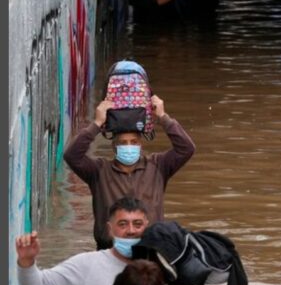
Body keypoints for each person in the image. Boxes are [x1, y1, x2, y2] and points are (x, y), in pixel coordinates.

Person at [64, 93, 196, 248]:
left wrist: (163, 117)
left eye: (134, 142)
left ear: (140, 145)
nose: (129, 146)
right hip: (109, 250)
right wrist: (97, 123)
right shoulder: (98, 171)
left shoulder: (158, 165)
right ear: (114, 147)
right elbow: (71, 155)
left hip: (149, 251)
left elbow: (186, 149)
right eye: (123, 143)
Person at [16, 197, 153, 285]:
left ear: (147, 227)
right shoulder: (87, 265)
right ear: (110, 229)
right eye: (123, 224)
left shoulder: (160, 264)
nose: (131, 231)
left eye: (137, 224)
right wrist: (27, 261)